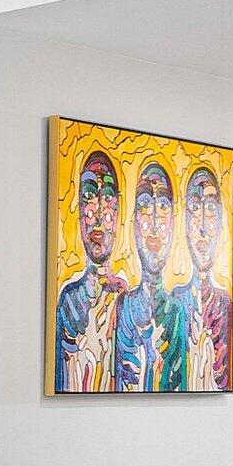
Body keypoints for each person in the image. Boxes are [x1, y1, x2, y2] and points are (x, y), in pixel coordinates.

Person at [53, 148, 126, 391]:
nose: (97, 214)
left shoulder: (125, 298)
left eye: (107, 198)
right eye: (88, 196)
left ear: (117, 213)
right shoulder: (68, 299)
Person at [167, 162, 233, 390]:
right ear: (185, 226)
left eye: (211, 210)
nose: (203, 227)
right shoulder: (175, 300)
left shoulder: (226, 303)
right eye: (195, 209)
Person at [114, 160, 177, 390]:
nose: (153, 223)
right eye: (143, 205)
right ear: (133, 224)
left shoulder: (178, 311)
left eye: (163, 206)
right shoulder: (123, 306)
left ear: (173, 224)